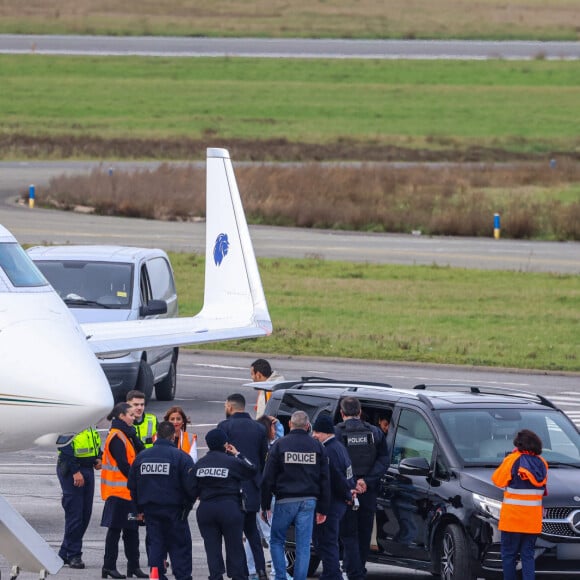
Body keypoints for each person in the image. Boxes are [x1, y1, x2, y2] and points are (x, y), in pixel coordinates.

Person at [261, 410, 330, 580]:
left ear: (290, 424)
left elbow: (267, 478)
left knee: (277, 541)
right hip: (309, 501)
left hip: (285, 500)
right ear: (308, 426)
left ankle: (281, 577)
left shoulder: (279, 445)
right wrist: (323, 508)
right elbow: (325, 480)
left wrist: (265, 505)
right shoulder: (318, 447)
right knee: (303, 545)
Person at [128, 421, 196, 580]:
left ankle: (156, 575)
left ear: (156, 435)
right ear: (173, 436)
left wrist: (138, 510)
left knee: (156, 544)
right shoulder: (181, 457)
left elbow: (132, 486)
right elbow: (192, 486)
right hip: (176, 511)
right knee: (180, 546)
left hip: (150, 510)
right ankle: (182, 576)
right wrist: (188, 505)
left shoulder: (142, 457)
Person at [192, 428, 257, 580]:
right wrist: (238, 454)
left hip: (206, 509)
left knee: (211, 547)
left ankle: (216, 576)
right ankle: (238, 576)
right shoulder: (232, 462)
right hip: (229, 508)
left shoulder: (200, 464)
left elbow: (191, 488)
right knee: (234, 546)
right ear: (226, 444)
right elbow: (252, 469)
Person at [335, 397, 388, 580]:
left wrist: (351, 484)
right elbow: (383, 460)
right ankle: (357, 571)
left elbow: (334, 464)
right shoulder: (375, 433)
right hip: (367, 492)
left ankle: (353, 572)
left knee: (348, 534)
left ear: (342, 414)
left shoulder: (336, 433)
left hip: (345, 493)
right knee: (364, 534)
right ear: (360, 412)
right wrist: (366, 481)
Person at [218, 393, 269, 580]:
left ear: (230, 407)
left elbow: (221, 457)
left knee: (234, 535)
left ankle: (241, 572)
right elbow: (265, 459)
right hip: (253, 487)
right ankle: (261, 570)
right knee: (253, 532)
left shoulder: (224, 427)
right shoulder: (258, 428)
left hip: (231, 489)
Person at [491, 429, 548, 580]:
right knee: (528, 556)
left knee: (509, 556)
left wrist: (508, 459)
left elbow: (497, 480)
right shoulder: (542, 463)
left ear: (519, 444)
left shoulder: (512, 459)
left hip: (513, 520)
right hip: (532, 521)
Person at [100, 402, 147, 579]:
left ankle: (133, 566)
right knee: (115, 531)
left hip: (128, 495)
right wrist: (137, 480)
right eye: (131, 415)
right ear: (121, 416)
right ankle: (108, 566)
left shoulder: (127, 435)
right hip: (118, 495)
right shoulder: (117, 437)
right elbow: (123, 465)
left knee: (132, 530)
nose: (134, 418)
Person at [311, 414, 356, 580]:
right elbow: (349, 473)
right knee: (327, 540)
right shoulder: (340, 447)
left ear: (326, 432)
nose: (314, 435)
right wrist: (351, 490)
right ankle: (332, 572)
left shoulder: (327, 450)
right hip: (340, 502)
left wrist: (347, 493)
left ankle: (332, 574)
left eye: (317, 431)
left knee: (324, 541)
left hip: (331, 503)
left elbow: (336, 477)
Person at [56, 426, 102, 569]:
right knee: (75, 515)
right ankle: (74, 555)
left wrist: (98, 456)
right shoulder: (71, 420)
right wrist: (75, 471)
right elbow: (64, 446)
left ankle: (64, 552)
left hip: (88, 469)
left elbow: (93, 441)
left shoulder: (89, 421)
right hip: (72, 469)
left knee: (85, 515)